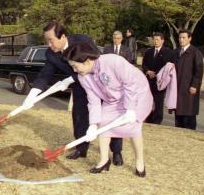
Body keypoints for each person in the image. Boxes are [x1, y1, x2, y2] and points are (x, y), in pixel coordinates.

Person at [22, 22, 123, 164]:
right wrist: (32, 94)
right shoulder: (51, 53)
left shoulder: (83, 40)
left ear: (62, 36)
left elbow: (96, 63)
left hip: (100, 85)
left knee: (109, 117)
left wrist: (71, 78)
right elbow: (45, 75)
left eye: (51, 40)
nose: (49, 44)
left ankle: (117, 151)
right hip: (80, 88)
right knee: (79, 117)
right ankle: (81, 149)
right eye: (46, 40)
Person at [63, 41, 152, 177]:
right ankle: (104, 160)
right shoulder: (83, 77)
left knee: (132, 126)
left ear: (86, 61)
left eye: (75, 66)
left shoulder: (113, 61)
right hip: (113, 100)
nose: (75, 70)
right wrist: (93, 125)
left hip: (137, 94)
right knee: (103, 121)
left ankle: (140, 161)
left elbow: (130, 83)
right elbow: (93, 101)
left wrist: (130, 109)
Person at [171, 29, 204, 130]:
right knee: (179, 111)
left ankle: (190, 131)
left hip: (189, 87)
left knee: (189, 112)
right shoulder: (176, 52)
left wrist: (194, 85)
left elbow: (199, 71)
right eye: (180, 37)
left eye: (184, 37)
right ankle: (179, 129)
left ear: (190, 38)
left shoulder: (195, 52)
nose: (181, 40)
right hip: (177, 87)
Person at [142, 32, 173, 124]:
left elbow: (167, 66)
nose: (155, 41)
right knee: (148, 101)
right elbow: (144, 65)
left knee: (158, 102)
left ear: (162, 41)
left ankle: (157, 120)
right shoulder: (148, 51)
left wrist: (157, 74)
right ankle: (149, 118)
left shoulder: (168, 52)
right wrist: (147, 71)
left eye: (158, 40)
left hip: (160, 81)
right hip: (149, 81)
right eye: (154, 39)